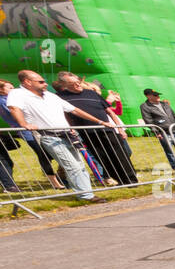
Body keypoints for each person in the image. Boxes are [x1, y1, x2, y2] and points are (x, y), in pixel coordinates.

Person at [7, 69, 116, 201]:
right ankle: (86, 195)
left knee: (80, 165)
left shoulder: (50, 95)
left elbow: (75, 110)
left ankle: (86, 193)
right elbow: (14, 108)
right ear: (27, 82)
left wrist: (100, 121)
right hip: (48, 136)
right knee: (72, 166)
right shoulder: (17, 93)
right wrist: (24, 123)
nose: (45, 83)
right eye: (41, 81)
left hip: (67, 135)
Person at [56, 71, 137, 185]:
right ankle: (119, 179)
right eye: (73, 83)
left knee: (120, 154)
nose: (78, 84)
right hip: (87, 132)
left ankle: (131, 179)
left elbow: (110, 111)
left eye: (78, 81)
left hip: (107, 129)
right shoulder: (61, 97)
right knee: (102, 157)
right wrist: (70, 128)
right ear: (64, 85)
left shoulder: (92, 93)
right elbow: (66, 114)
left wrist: (120, 128)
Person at [1, 78, 65, 189]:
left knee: (51, 152)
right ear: (1, 90)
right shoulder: (4, 101)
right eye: (9, 88)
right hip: (28, 131)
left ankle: (59, 175)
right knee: (42, 154)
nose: (13, 89)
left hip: (39, 127)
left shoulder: (15, 99)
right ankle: (55, 182)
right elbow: (17, 114)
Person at [140, 88, 175, 171]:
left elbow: (174, 116)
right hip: (163, 132)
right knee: (169, 150)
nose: (158, 96)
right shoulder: (145, 106)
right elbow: (148, 120)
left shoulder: (164, 104)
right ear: (148, 96)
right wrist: (156, 132)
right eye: (155, 95)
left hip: (174, 130)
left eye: (158, 94)